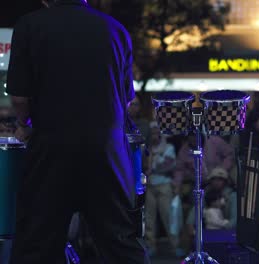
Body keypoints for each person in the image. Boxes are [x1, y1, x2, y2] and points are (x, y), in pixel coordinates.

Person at [6, 0, 149, 263]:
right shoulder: (115, 30)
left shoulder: (30, 26)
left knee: (38, 239)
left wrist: (24, 125)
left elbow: (19, 98)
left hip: (52, 147)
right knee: (119, 240)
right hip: (108, 151)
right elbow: (126, 98)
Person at [144, 122, 182, 257]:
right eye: (152, 132)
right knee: (149, 219)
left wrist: (153, 168)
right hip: (150, 186)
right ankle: (150, 246)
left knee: (168, 217)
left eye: (156, 132)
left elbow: (169, 165)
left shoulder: (168, 147)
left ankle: (175, 246)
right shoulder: (148, 149)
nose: (155, 135)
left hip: (164, 185)